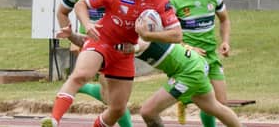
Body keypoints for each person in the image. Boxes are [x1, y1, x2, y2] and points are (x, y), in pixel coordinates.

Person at [41, 0, 182, 127]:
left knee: (118, 109)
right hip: (101, 40)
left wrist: (148, 35)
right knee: (81, 75)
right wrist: (88, 24)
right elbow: (81, 4)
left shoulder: (160, 0)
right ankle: (53, 120)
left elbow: (177, 35)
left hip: (124, 54)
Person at [55, 24, 242, 127]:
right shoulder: (117, 32)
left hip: (188, 71)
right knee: (214, 107)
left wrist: (133, 48)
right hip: (192, 65)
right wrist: (71, 35)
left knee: (148, 111)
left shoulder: (137, 30)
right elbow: (92, 41)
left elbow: (142, 43)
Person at [54, 0, 132, 127]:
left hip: (116, 45)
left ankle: (83, 86)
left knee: (110, 96)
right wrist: (73, 37)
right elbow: (62, 12)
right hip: (92, 45)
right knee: (113, 97)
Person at [169, 0, 231, 127]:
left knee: (221, 103)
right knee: (205, 100)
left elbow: (224, 20)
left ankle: (185, 99)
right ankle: (184, 100)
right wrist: (187, 48)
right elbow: (169, 34)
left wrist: (225, 42)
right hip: (188, 57)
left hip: (210, 54)